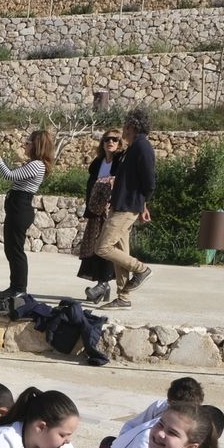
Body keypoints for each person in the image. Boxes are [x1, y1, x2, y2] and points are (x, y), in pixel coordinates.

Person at [97, 108, 157, 310]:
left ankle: (141, 269)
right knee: (121, 250)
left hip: (127, 206)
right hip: (123, 204)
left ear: (131, 126)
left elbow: (149, 182)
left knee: (103, 247)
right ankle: (123, 297)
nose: (123, 129)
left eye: (125, 125)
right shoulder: (133, 148)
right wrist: (144, 205)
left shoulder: (143, 147)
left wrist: (142, 203)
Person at [0, 129, 54, 300]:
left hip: (20, 209)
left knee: (15, 250)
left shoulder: (37, 164)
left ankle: (19, 288)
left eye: (28, 143)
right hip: (17, 209)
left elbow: (8, 175)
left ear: (37, 146)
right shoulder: (34, 164)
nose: (24, 145)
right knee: (12, 249)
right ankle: (15, 287)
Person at [77, 128, 123, 301]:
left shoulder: (121, 162)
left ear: (120, 143)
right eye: (107, 139)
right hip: (96, 212)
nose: (110, 142)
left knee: (106, 247)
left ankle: (102, 284)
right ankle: (102, 286)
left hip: (112, 212)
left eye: (115, 139)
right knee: (94, 248)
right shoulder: (97, 163)